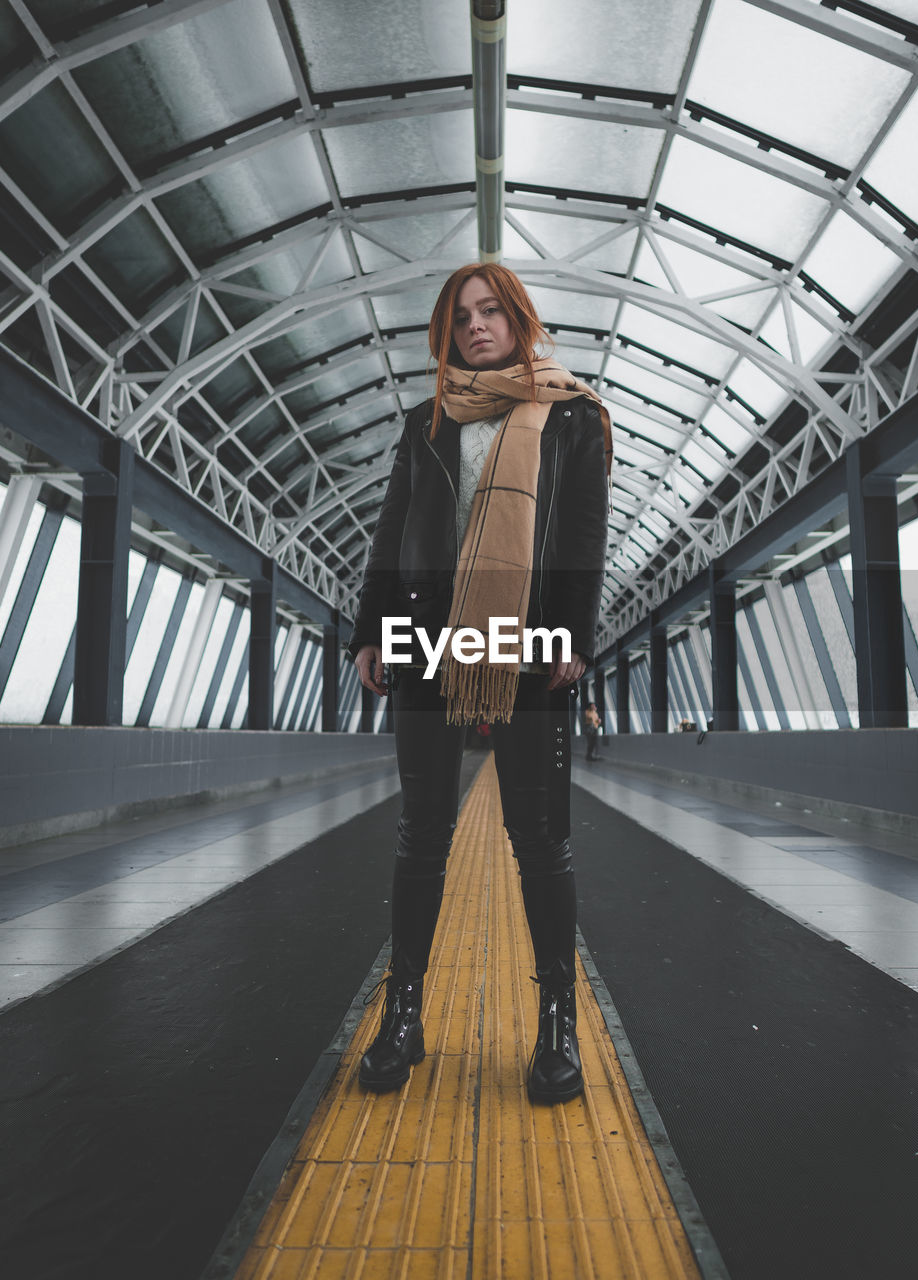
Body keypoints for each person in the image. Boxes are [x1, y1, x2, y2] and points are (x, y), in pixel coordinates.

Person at [348, 263, 611, 1104]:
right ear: (447, 331)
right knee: (421, 835)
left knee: (540, 840)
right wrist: (369, 630)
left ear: (520, 319)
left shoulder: (571, 416)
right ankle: (405, 1018)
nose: (477, 326)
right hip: (426, 632)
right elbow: (392, 530)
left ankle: (557, 1027)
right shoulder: (425, 423)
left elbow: (581, 532)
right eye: (462, 316)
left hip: (527, 640)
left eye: (492, 311)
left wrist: (572, 630)